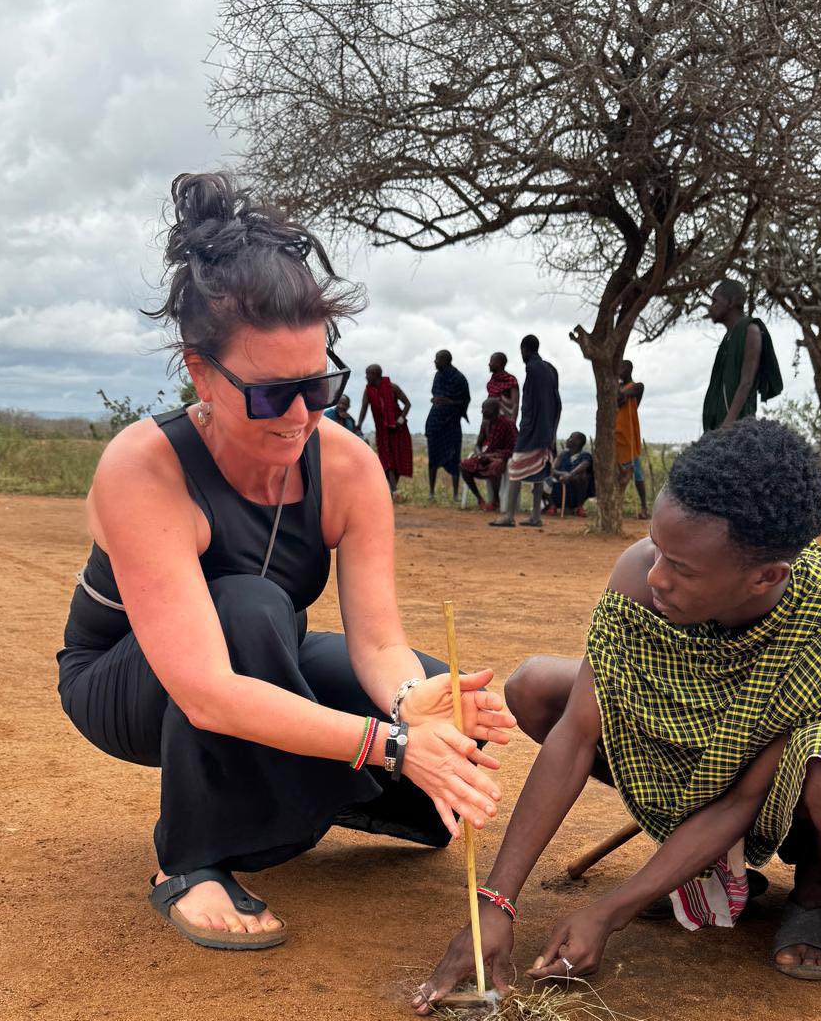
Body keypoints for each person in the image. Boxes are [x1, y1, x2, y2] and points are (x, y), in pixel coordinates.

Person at [57, 171, 514, 952]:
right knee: (250, 608)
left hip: (262, 654)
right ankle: (187, 858)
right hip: (130, 685)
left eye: (320, 387)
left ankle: (307, 791)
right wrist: (389, 746)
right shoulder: (144, 468)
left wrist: (412, 703)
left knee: (433, 690)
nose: (301, 417)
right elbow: (204, 690)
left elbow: (376, 643)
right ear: (199, 372)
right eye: (272, 396)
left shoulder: (346, 466)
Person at [415, 420, 821, 1012]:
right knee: (536, 685)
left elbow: (740, 801)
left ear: (765, 577)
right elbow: (577, 735)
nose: (655, 576)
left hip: (800, 776)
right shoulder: (643, 578)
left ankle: (817, 890)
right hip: (709, 744)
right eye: (657, 547)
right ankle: (700, 863)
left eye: (682, 569)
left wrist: (610, 912)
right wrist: (495, 903)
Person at [490, 334, 561, 529]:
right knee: (539, 469)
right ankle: (536, 516)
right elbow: (557, 403)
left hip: (532, 430)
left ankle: (508, 516)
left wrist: (526, 428)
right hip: (546, 430)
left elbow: (529, 404)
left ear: (524, 349)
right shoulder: (549, 369)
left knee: (515, 467)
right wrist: (552, 431)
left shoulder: (532, 368)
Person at [702, 280, 784, 432]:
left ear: (731, 302)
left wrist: (728, 424)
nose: (710, 307)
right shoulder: (728, 338)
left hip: (737, 428)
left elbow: (746, 382)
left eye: (715, 301)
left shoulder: (750, 331)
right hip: (719, 425)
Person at [357, 364, 413, 495]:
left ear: (376, 374)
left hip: (398, 429)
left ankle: (393, 490)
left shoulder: (392, 387)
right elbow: (364, 408)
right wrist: (359, 424)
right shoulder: (368, 391)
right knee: (386, 460)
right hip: (382, 431)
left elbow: (407, 404)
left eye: (368, 374)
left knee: (397, 458)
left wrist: (400, 419)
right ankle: (394, 490)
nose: (366, 377)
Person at [424, 348, 471, 502]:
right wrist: (437, 400)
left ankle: (456, 495)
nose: (435, 362)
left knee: (454, 458)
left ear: (445, 360)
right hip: (436, 422)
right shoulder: (438, 376)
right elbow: (436, 394)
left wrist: (449, 402)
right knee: (433, 458)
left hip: (451, 423)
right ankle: (431, 493)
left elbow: (465, 400)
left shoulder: (459, 378)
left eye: (437, 359)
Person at [461, 395, 517, 510]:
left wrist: (493, 456)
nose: (483, 412)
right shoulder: (485, 424)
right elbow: (478, 445)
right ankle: (479, 499)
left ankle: (496, 501)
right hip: (486, 456)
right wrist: (480, 454)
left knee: (494, 467)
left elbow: (514, 448)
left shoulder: (508, 424)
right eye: (482, 409)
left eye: (486, 409)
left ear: (496, 411)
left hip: (501, 458)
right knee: (464, 466)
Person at [615, 359, 649, 518]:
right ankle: (615, 507)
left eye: (622, 368)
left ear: (629, 369)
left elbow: (622, 397)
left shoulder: (637, 386)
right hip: (615, 435)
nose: (619, 370)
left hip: (629, 436)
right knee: (617, 474)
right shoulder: (617, 388)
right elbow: (617, 399)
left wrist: (619, 391)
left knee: (637, 474)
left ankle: (644, 508)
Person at [547, 431, 593, 515]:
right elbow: (552, 469)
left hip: (575, 489)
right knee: (543, 479)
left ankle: (579, 507)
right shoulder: (563, 454)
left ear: (578, 442)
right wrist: (562, 474)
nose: (568, 439)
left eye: (571, 437)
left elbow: (584, 465)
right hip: (559, 484)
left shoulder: (585, 455)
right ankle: (552, 505)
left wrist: (570, 475)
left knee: (582, 477)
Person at [486, 350, 520, 422]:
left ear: (498, 363)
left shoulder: (510, 380)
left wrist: (512, 423)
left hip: (506, 421)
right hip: (491, 421)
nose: (489, 364)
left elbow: (515, 404)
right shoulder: (491, 382)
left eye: (491, 361)